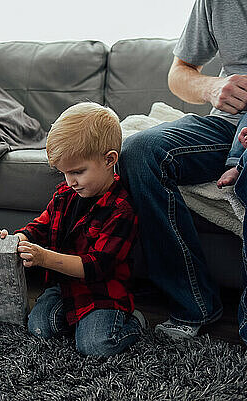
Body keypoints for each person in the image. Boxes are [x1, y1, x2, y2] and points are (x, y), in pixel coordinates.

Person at [120, 0, 247, 341]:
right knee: (139, 151)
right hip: (226, 126)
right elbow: (179, 73)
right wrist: (211, 88)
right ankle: (192, 303)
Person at [0, 102, 145, 357]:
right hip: (64, 288)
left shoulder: (121, 209)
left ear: (109, 160)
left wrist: (43, 257)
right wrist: (14, 239)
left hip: (103, 294)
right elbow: (40, 226)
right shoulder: (64, 195)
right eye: (64, 174)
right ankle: (76, 321)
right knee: (38, 328)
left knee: (95, 346)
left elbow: (95, 267)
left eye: (77, 172)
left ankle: (134, 321)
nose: (70, 182)